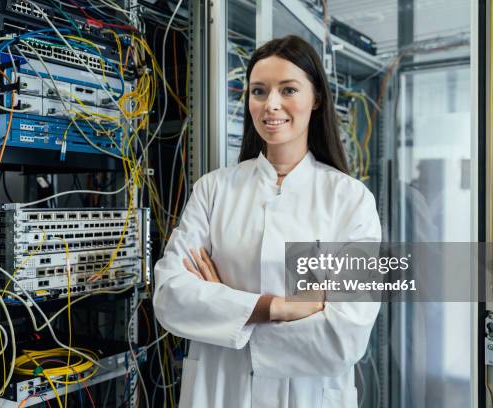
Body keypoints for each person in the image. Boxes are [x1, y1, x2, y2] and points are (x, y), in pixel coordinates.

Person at [153, 35, 381, 408]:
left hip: (311, 395)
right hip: (220, 392)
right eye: (259, 91)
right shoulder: (213, 190)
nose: (271, 104)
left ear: (316, 98)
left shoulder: (349, 199)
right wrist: (276, 307)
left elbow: (346, 333)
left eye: (288, 89)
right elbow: (170, 297)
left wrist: (228, 308)